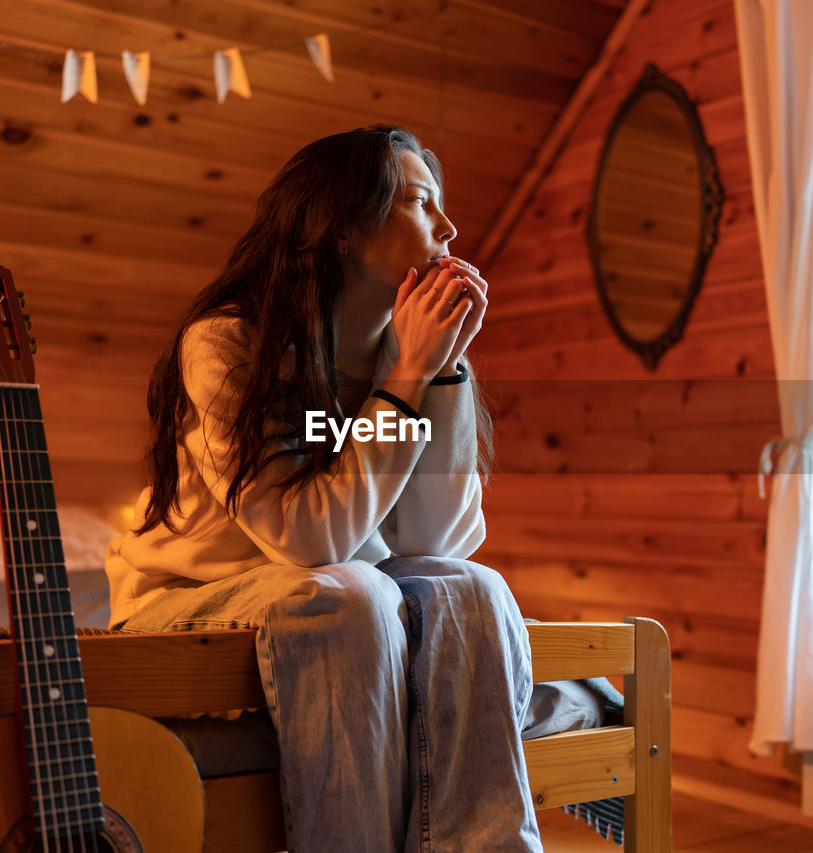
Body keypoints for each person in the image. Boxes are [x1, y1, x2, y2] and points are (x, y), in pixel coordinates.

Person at [104, 125, 577, 851]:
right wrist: (404, 382)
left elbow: (436, 540)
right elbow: (308, 541)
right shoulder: (228, 345)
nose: (449, 227)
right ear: (343, 229)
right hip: (188, 599)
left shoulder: (414, 352)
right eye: (421, 202)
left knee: (473, 586)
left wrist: (438, 370)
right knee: (352, 592)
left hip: (332, 580)